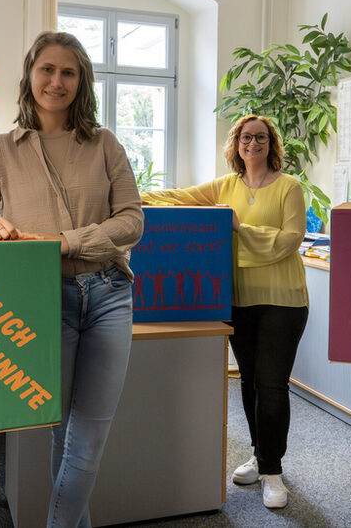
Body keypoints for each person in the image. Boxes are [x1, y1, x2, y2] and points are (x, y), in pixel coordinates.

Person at [0, 31, 144, 528]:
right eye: (47, 70)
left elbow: (132, 221)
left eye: (68, 72)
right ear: (30, 74)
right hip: (42, 299)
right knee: (63, 434)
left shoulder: (105, 145)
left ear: (82, 80)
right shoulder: (1, 151)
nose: (56, 81)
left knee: (88, 439)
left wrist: (65, 242)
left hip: (109, 297)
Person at [141, 114, 308, 510]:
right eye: (245, 137)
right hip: (237, 298)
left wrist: (238, 227)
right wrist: (130, 197)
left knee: (272, 384)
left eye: (261, 137)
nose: (253, 143)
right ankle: (258, 453)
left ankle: (273, 471)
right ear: (235, 144)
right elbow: (175, 198)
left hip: (283, 299)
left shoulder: (290, 187)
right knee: (249, 381)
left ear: (272, 144)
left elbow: (290, 240)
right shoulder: (225, 186)